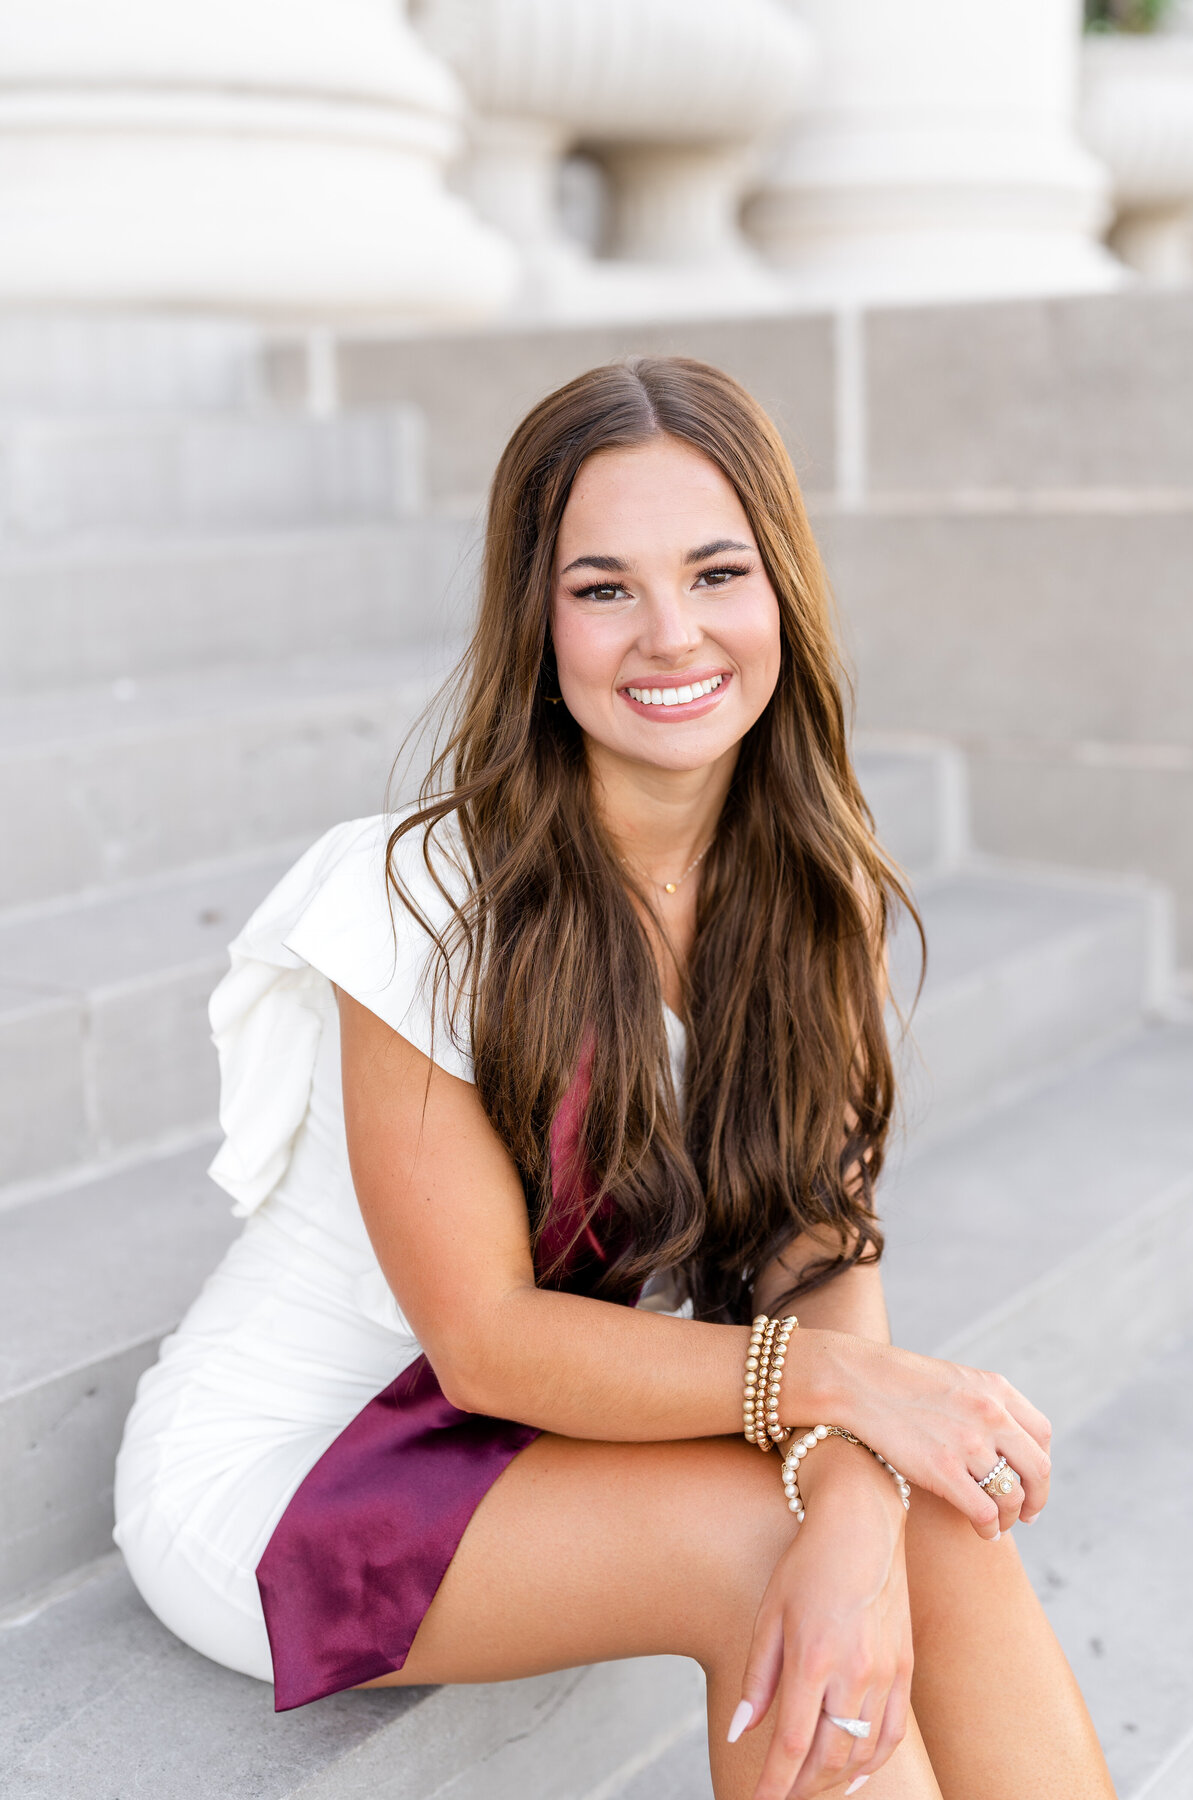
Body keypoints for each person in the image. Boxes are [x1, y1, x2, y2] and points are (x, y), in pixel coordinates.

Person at [114, 357, 1115, 1799]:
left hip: (549, 1432)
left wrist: (858, 1484)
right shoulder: (422, 895)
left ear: (780, 592)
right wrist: (850, 1406)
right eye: (603, 588)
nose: (669, 635)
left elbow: (813, 1250)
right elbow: (490, 1347)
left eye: (716, 572)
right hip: (304, 1464)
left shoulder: (797, 890)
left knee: (930, 1522)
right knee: (769, 1561)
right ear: (538, 620)